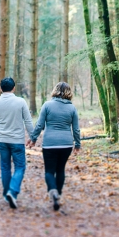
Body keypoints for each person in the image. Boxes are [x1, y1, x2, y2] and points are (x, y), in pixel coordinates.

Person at [28, 82, 81, 211]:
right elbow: (76, 129)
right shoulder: (72, 108)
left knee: (49, 171)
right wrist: (77, 144)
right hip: (66, 144)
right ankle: (58, 193)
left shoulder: (47, 105)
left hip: (50, 143)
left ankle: (53, 191)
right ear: (69, 93)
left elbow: (40, 125)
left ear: (55, 91)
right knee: (61, 169)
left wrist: (33, 138)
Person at [0, 77, 34, 209]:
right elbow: (27, 121)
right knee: (20, 167)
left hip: (2, 139)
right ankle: (12, 191)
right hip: (17, 140)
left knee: (5, 167)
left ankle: (6, 194)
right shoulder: (20, 102)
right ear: (14, 88)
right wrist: (33, 137)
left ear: (0, 88)